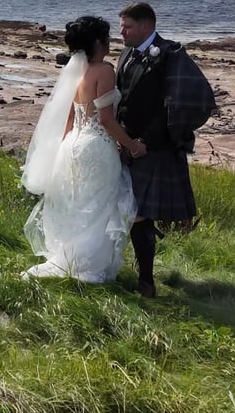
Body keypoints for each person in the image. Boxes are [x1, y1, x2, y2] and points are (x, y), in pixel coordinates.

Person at [21, 16, 145, 283]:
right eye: (107, 37)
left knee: (78, 204)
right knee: (98, 205)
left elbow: (69, 117)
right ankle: (86, 264)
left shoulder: (75, 71)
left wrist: (63, 149)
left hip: (71, 145)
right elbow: (106, 119)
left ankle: (68, 257)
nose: (111, 41)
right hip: (96, 146)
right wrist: (132, 145)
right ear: (98, 42)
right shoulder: (104, 70)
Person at [116, 2, 216, 298]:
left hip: (154, 148)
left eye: (127, 27)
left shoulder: (169, 55)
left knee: (140, 214)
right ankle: (132, 272)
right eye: (121, 27)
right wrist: (120, 136)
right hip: (126, 145)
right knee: (131, 212)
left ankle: (146, 281)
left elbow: (171, 106)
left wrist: (145, 142)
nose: (122, 32)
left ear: (146, 26)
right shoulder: (126, 53)